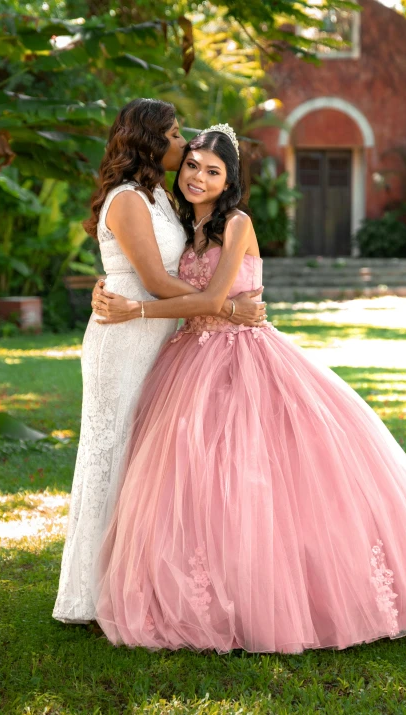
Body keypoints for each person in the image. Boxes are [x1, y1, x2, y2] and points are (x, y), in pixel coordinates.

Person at [91, 124, 406, 653]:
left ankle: (278, 597)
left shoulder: (236, 223)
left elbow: (214, 296)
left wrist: (139, 309)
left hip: (246, 357)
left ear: (228, 181)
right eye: (192, 165)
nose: (198, 176)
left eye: (212, 172)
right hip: (189, 360)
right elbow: (151, 272)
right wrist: (115, 290)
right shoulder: (180, 224)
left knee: (259, 475)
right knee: (192, 481)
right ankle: (206, 593)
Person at [53, 103, 265, 624]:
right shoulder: (128, 199)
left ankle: (133, 580)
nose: (182, 144)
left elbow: (181, 267)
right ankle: (87, 594)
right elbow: (152, 278)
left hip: (163, 339)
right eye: (173, 136)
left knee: (141, 461)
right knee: (109, 452)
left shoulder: (162, 200)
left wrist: (214, 300)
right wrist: (225, 305)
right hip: (125, 338)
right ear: (150, 142)